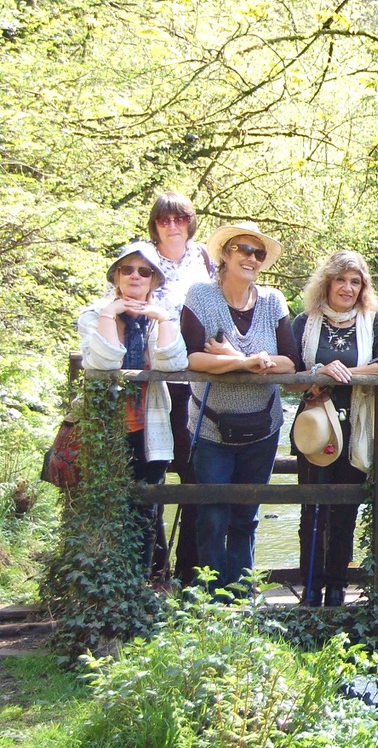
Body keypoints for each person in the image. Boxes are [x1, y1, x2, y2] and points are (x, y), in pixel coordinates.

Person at [182, 222, 298, 594]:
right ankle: (211, 598)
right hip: (212, 427)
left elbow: (291, 362)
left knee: (246, 515)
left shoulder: (273, 301)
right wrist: (248, 362)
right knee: (213, 515)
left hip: (263, 427)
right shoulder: (200, 296)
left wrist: (236, 356)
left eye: (258, 253)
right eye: (243, 250)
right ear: (225, 255)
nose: (251, 258)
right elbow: (193, 357)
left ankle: (241, 593)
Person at [291, 251, 378, 606]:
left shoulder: (374, 321)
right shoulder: (304, 322)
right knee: (313, 507)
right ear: (328, 281)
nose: (348, 288)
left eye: (356, 282)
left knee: (345, 509)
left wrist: (346, 373)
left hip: (355, 425)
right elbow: (288, 373)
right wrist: (318, 375)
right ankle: (310, 584)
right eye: (341, 280)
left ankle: (337, 583)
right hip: (314, 424)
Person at [78, 241, 188, 579]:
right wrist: (111, 314)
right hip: (107, 427)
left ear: (155, 280)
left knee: (146, 509)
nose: (136, 277)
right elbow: (104, 362)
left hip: (149, 425)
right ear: (116, 276)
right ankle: (107, 585)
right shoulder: (94, 314)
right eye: (127, 270)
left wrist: (162, 318)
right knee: (106, 507)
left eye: (144, 271)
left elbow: (174, 363)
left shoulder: (162, 316)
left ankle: (140, 584)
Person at [145, 191, 215, 586]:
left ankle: (191, 569)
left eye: (180, 219)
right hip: (155, 381)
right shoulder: (141, 259)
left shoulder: (204, 259)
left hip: (196, 380)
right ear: (154, 224)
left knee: (196, 473)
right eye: (164, 220)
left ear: (190, 222)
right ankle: (156, 570)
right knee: (152, 470)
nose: (172, 226)